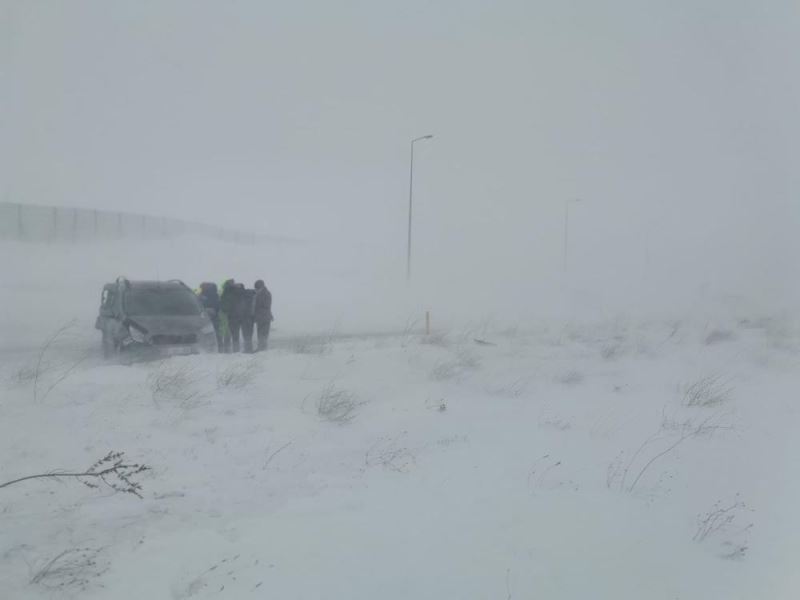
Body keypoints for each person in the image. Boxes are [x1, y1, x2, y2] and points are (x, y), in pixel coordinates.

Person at [196, 282, 222, 351]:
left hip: (205, 317)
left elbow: (198, 306)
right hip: (215, 316)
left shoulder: (201, 296)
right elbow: (218, 305)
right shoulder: (215, 295)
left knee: (206, 332)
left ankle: (207, 348)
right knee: (216, 332)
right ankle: (220, 347)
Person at [253, 279, 273, 351]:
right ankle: (261, 348)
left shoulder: (266, 294)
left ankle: (262, 348)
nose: (256, 290)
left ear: (261, 287)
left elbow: (266, 305)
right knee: (260, 333)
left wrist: (256, 299)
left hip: (264, 316)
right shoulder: (261, 293)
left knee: (264, 333)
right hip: (261, 317)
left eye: (257, 288)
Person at [219, 279, 238, 353]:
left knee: (225, 329)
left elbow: (223, 301)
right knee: (229, 330)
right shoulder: (233, 290)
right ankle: (229, 347)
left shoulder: (224, 291)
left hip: (224, 312)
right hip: (231, 313)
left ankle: (224, 347)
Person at [236, 284, 256, 353]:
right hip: (251, 317)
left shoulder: (241, 295)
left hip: (244, 317)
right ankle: (249, 349)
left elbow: (242, 307)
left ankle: (248, 349)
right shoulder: (250, 294)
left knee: (245, 334)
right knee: (249, 333)